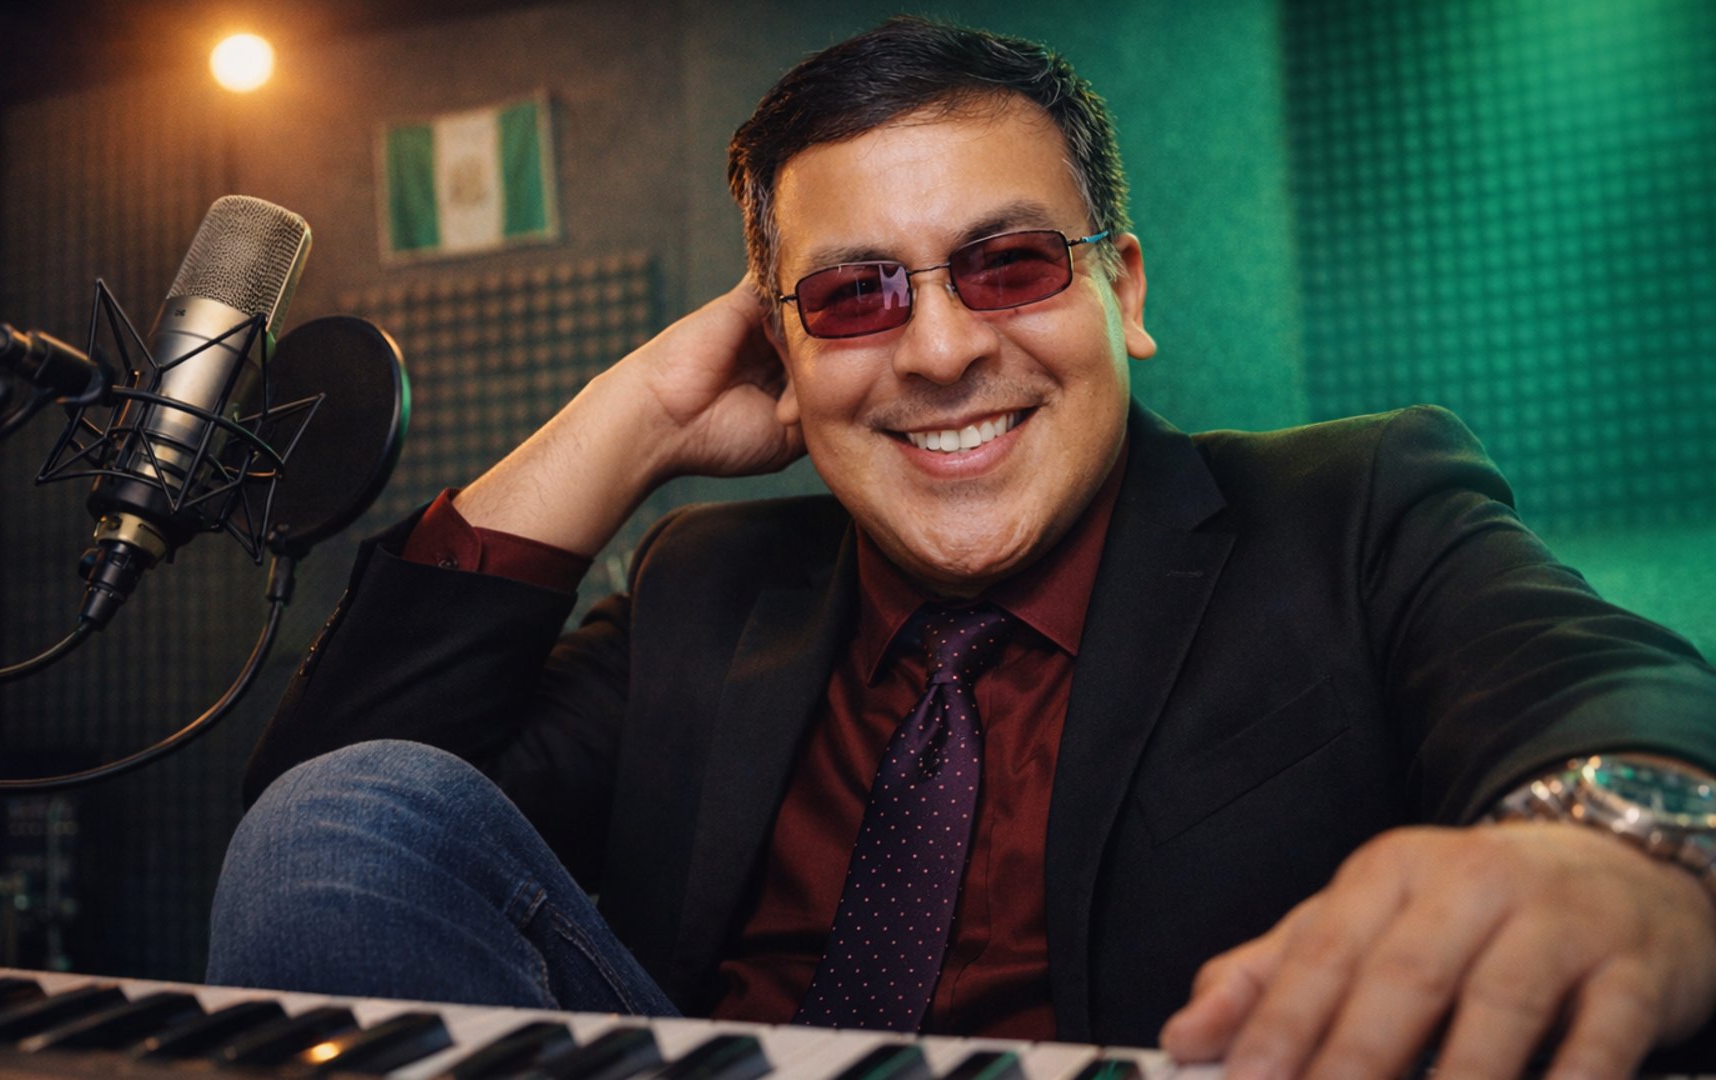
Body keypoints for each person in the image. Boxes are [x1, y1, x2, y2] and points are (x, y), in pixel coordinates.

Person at [209, 16, 1716, 1079]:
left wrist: (1617, 858)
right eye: (855, 297)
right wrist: (640, 414)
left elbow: (1599, 699)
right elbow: (332, 869)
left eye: (1006, 264)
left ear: (1121, 288)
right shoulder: (704, 590)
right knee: (351, 816)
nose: (937, 351)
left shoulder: (1351, 511)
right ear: (779, 352)